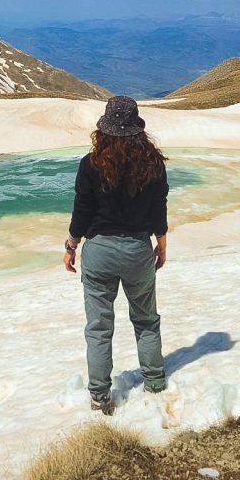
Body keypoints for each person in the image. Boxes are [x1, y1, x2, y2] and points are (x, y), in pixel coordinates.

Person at [64, 95, 168, 415]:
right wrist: (161, 243)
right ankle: (154, 382)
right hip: (138, 249)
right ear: (137, 129)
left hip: (99, 251)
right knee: (146, 320)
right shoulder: (153, 163)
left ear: (104, 129)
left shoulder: (90, 164)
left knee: (98, 326)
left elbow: (82, 210)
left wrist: (71, 245)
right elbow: (158, 207)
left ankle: (99, 396)